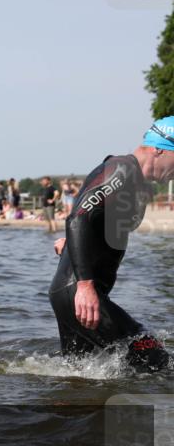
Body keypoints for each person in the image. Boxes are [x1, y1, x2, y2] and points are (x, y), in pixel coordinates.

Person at [48, 120, 174, 372]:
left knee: (78, 376)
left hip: (78, 293)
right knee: (156, 359)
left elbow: (89, 216)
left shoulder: (136, 181)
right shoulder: (122, 169)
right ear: (160, 149)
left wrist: (73, 244)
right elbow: (79, 217)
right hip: (79, 292)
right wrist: (84, 285)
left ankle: (65, 410)